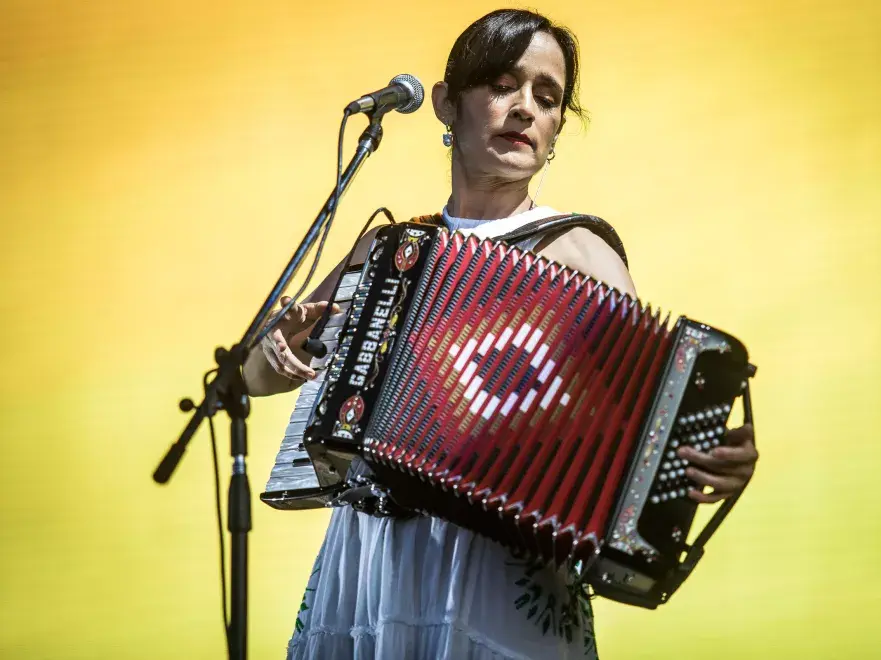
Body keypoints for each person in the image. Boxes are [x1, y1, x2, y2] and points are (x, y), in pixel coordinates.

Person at [244, 9, 758, 659]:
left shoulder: (579, 250)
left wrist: (703, 459)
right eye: (503, 85)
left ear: (557, 130)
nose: (525, 110)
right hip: (372, 559)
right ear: (446, 105)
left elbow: (644, 423)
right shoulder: (387, 250)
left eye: (547, 98)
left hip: (495, 575)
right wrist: (273, 354)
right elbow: (254, 377)